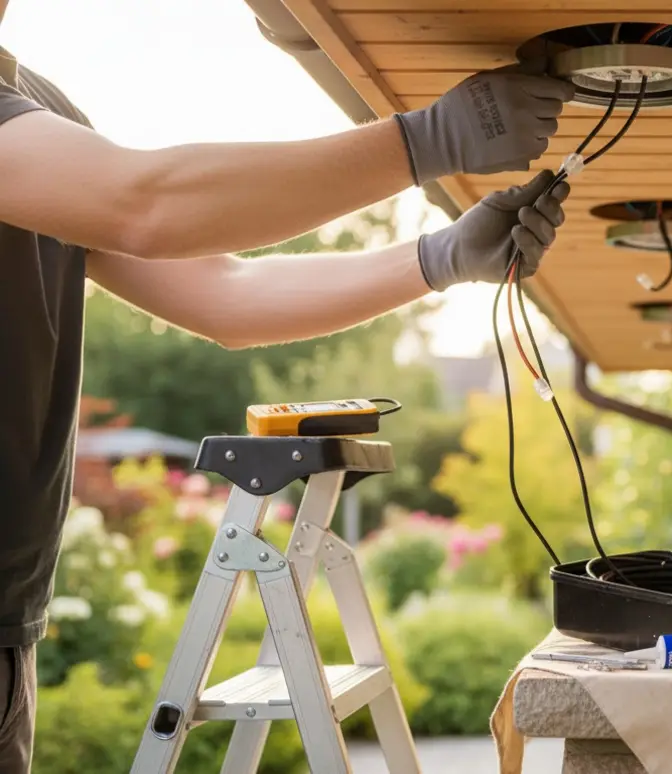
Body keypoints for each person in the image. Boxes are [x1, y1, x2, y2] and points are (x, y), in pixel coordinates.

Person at [0, 2, 576, 767]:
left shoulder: (36, 105)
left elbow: (223, 295)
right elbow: (144, 203)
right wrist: (426, 141)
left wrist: (438, 259)